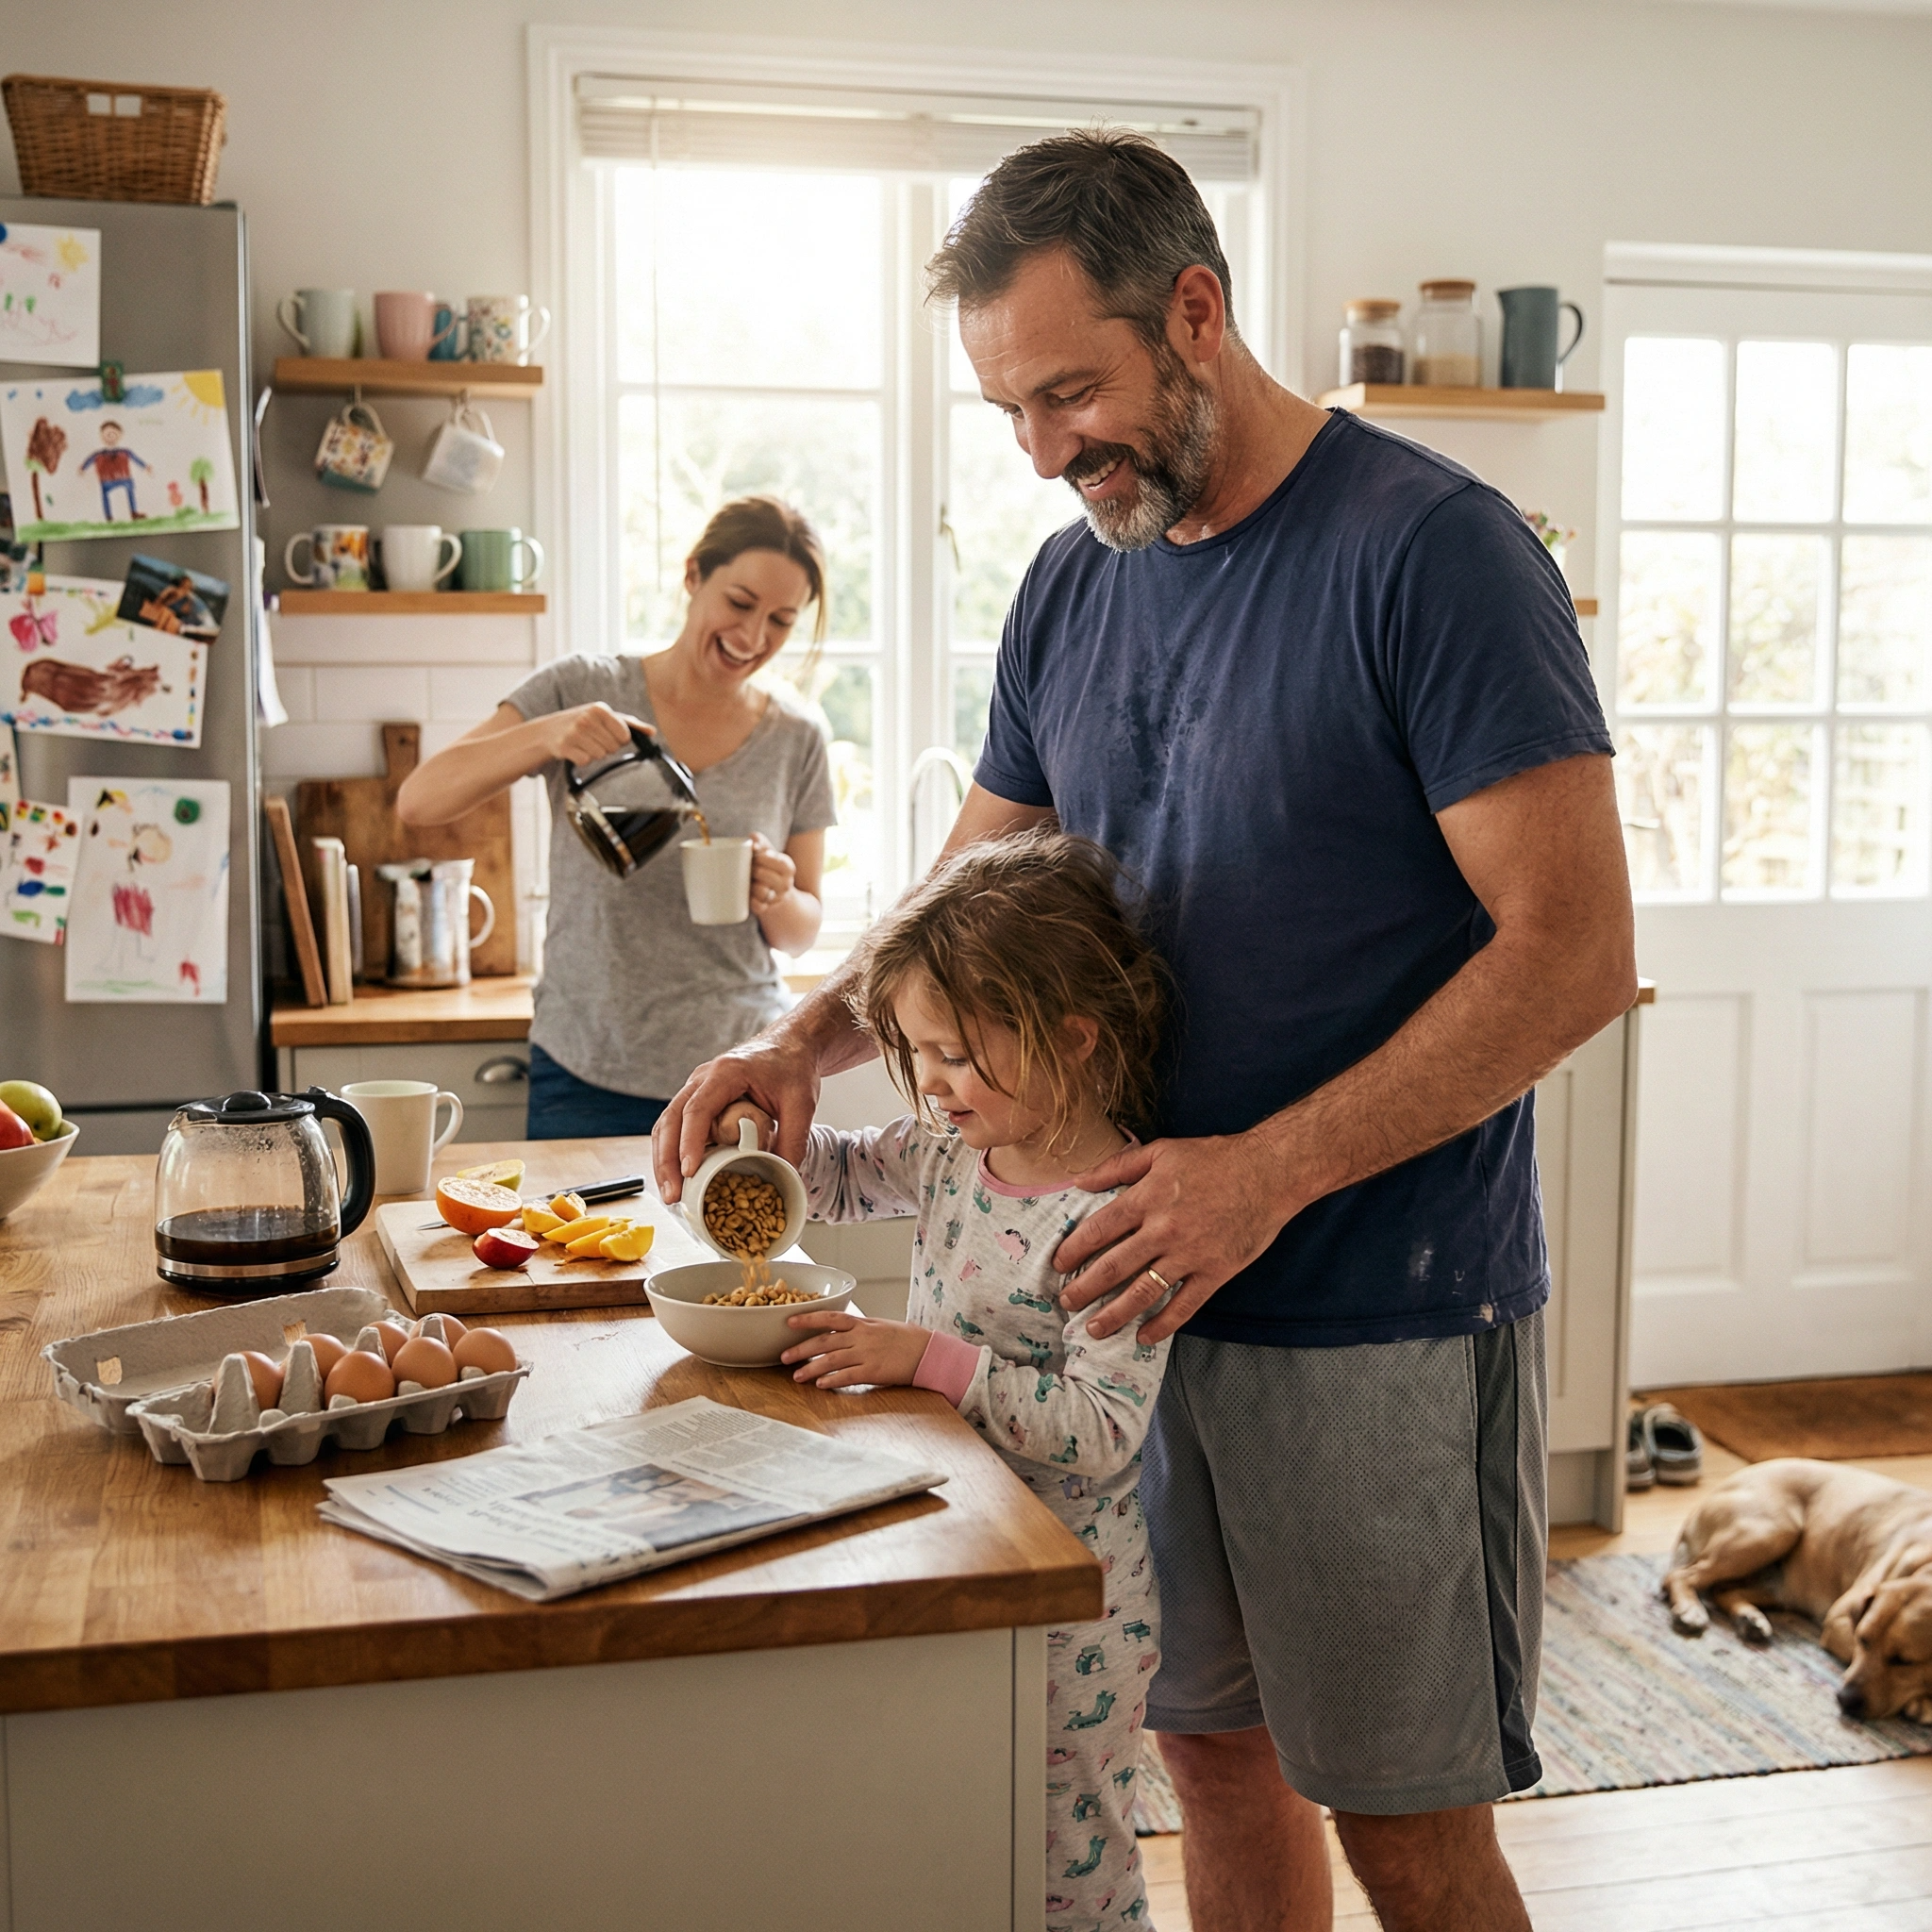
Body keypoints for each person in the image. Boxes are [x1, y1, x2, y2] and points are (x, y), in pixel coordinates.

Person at [658, 133, 1638, 1931]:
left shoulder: (1431, 553)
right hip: (1118, 1304)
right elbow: (964, 887)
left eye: (1069, 393)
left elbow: (1572, 954)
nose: (1042, 449)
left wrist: (1261, 1175)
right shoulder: (1072, 583)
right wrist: (803, 1047)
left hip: (1367, 1303)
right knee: (1206, 1765)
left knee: (1407, 1832)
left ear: (1194, 310)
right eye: (1008, 410)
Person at [721, 828, 1171, 1932]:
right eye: (916, 1052)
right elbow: (831, 1180)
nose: (928, 1081)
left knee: (1067, 1863)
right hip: (961, 1548)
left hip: (1073, 1595)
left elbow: (1102, 1425)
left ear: (1072, 1036)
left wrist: (924, 1358)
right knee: (964, 1825)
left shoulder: (1121, 1215)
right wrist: (757, 1138)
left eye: (957, 1054)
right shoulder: (948, 1151)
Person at [397, 495, 837, 1140]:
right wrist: (547, 734)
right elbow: (419, 801)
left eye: (781, 621)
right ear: (693, 576)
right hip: (586, 1068)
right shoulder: (583, 689)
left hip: (738, 1070)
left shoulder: (797, 737)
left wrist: (777, 894)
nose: (753, 637)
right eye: (740, 603)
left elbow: (801, 932)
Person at [79, 422, 150, 522]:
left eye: (113, 434)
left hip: (124, 477)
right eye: (108, 434)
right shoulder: (98, 454)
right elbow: (89, 460)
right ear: (102, 436)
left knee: (130, 491)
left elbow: (136, 459)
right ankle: (108, 516)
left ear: (120, 435)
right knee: (105, 495)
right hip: (107, 479)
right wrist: (83, 468)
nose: (111, 436)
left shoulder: (125, 452)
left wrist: (145, 467)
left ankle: (133, 512)